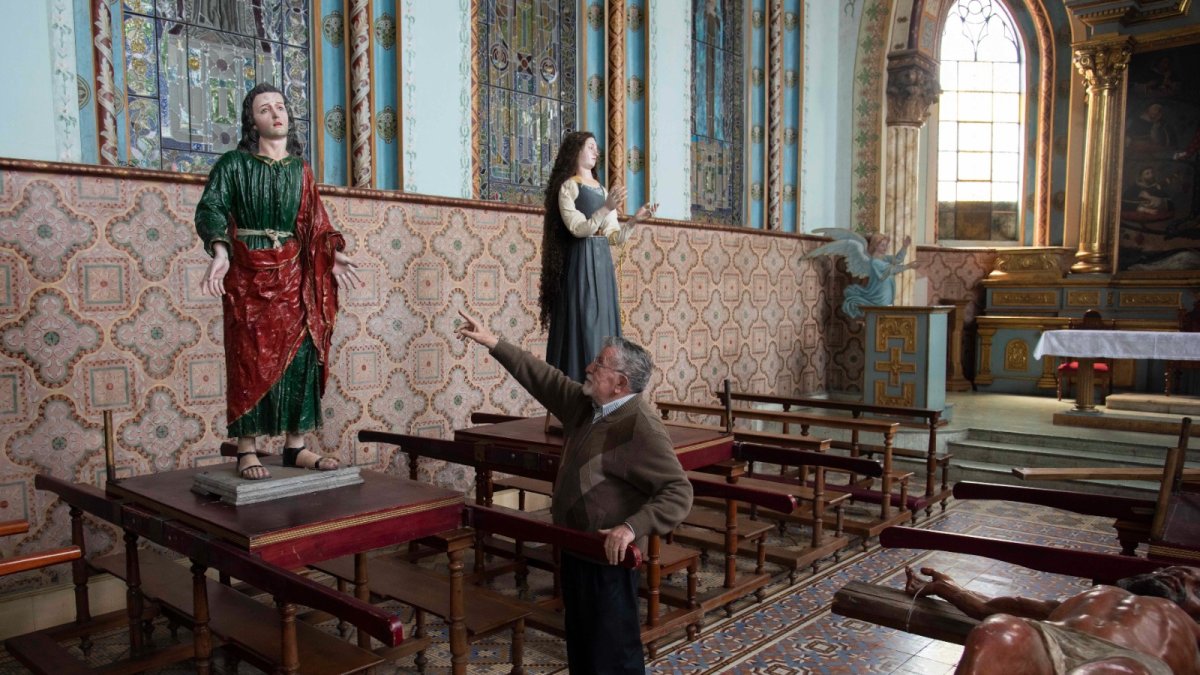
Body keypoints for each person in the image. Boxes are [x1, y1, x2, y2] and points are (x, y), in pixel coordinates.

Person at [456, 309, 693, 673]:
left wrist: (631, 527)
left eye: (599, 364)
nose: (589, 367)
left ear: (620, 383)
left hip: (608, 560)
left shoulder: (640, 426)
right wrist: (493, 342)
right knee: (582, 647)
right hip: (574, 548)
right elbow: (542, 377)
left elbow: (678, 491)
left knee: (613, 654)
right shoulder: (586, 405)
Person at [195, 82, 361, 480]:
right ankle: (247, 448)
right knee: (249, 358)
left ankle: (295, 446)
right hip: (248, 276)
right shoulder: (233, 166)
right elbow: (211, 208)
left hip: (294, 276)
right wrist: (220, 250)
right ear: (251, 121)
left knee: (300, 357)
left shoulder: (300, 171)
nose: (276, 113)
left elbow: (314, 222)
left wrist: (328, 254)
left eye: (280, 106)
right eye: (265, 108)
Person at [904, 565, 1200, 674]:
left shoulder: (1189, 627)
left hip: (1129, 660)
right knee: (997, 633)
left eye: (1196, 585)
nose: (1181, 575)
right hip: (1051, 641)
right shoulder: (1098, 595)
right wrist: (945, 588)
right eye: (1174, 570)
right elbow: (989, 608)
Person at [538, 131, 658, 382]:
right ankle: (578, 390)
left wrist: (635, 219)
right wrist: (607, 207)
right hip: (580, 265)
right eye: (590, 147)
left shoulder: (603, 191)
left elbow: (613, 236)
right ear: (575, 151)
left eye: (596, 148)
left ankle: (606, 388)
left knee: (603, 327)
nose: (595, 152)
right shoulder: (569, 187)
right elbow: (578, 228)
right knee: (583, 327)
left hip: (602, 267)